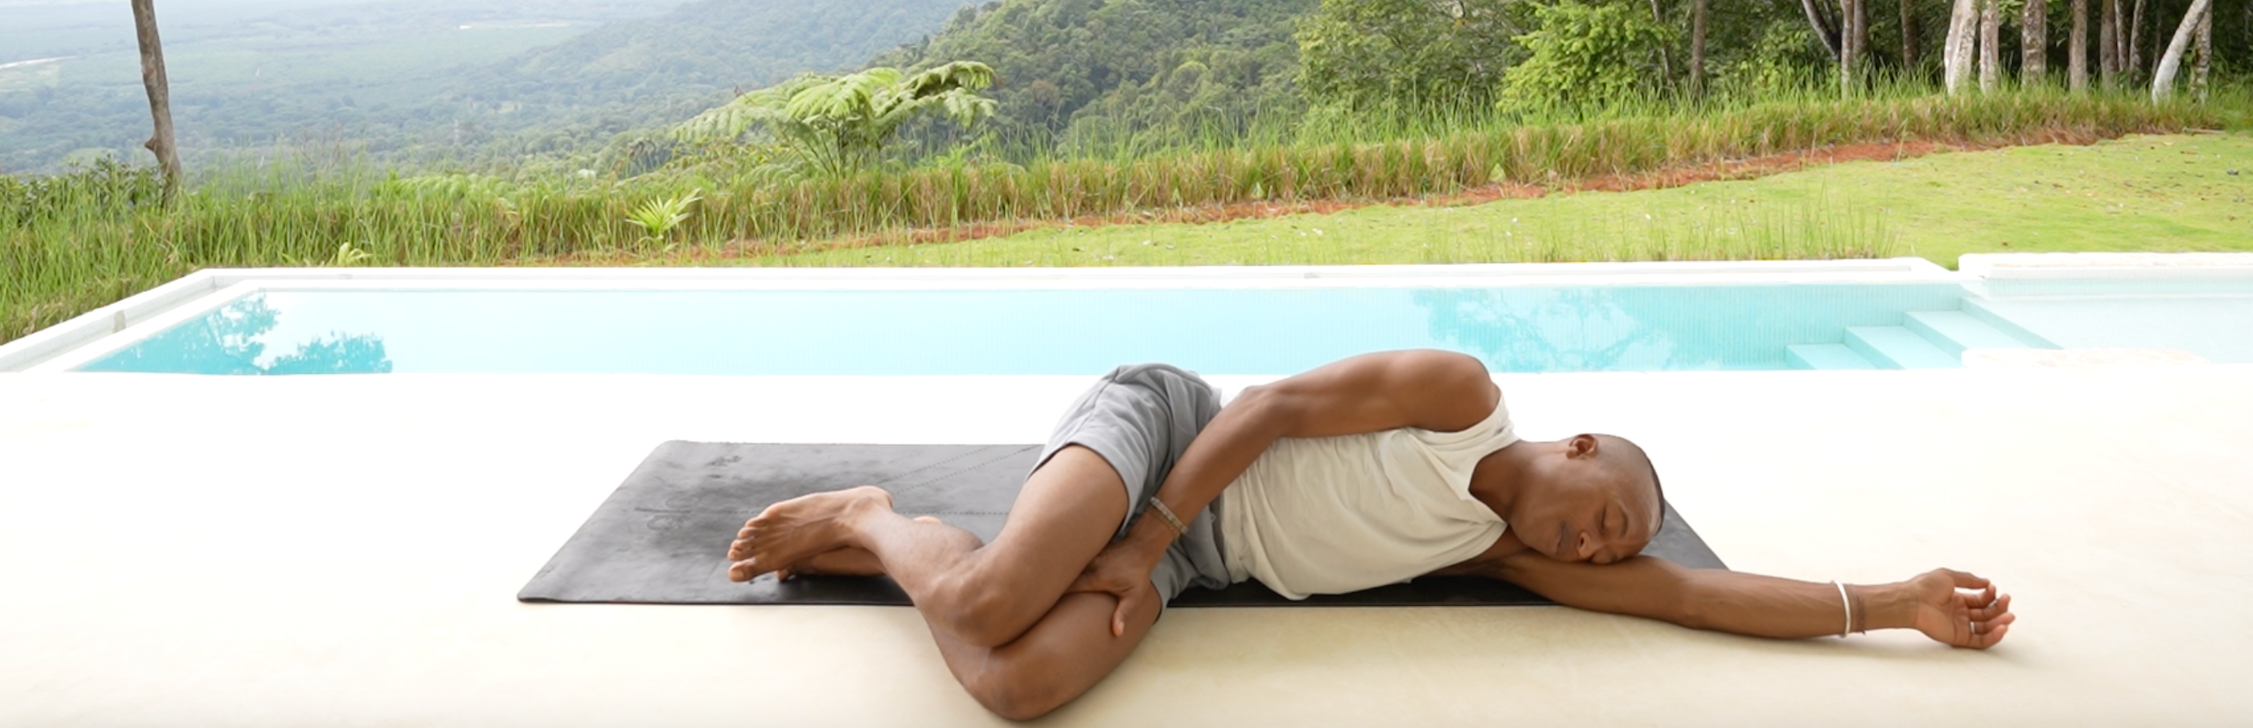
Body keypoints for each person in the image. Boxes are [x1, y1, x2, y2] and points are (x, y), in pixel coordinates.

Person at [725, 350, 2013, 720]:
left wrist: (1891, 600)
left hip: (1190, 555)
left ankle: (893, 537)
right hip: (1166, 442)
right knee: (998, 599)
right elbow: (1274, 404)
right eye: (1608, 517)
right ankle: (868, 514)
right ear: (1580, 445)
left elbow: (1690, 598)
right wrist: (1140, 527)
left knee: (1013, 683)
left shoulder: (1496, 556)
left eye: (1609, 550)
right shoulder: (1463, 400)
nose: (1596, 547)